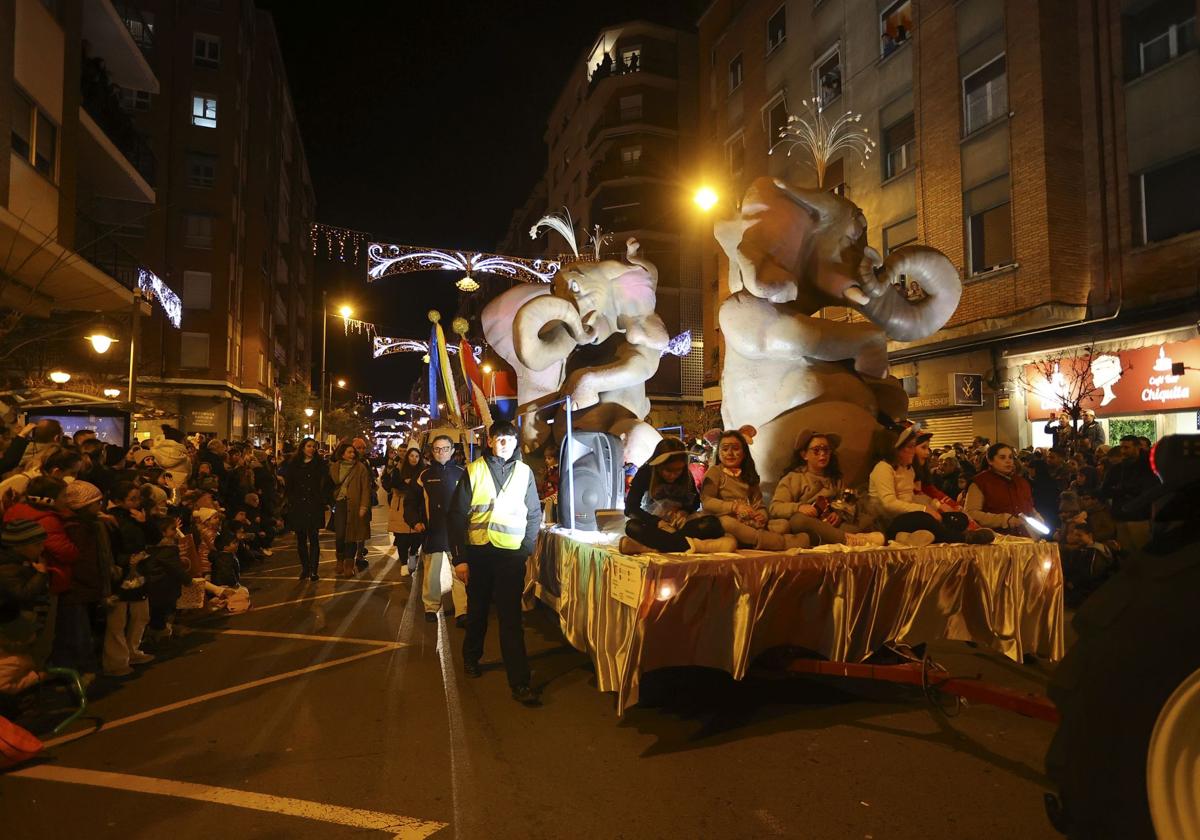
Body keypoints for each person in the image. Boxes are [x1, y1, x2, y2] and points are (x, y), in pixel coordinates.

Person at [448, 421, 541, 706]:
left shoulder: (525, 473)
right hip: (479, 553)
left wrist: (525, 549)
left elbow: (534, 514)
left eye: (509, 440)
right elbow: (457, 516)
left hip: (510, 555)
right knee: (477, 612)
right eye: (500, 439)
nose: (505, 444)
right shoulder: (474, 470)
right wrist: (460, 560)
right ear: (490, 441)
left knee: (511, 618)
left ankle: (520, 681)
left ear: (515, 443)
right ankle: (471, 658)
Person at [770, 431, 885, 547]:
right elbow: (775, 508)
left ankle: (848, 537)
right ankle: (847, 539)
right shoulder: (793, 478)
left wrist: (839, 514)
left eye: (826, 450)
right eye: (816, 450)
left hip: (831, 524)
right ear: (804, 455)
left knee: (867, 519)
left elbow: (845, 502)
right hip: (810, 523)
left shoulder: (834, 478)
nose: (822, 454)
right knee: (798, 521)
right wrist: (799, 507)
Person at [866, 427, 979, 545]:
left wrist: (934, 506)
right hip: (888, 521)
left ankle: (916, 536)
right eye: (909, 446)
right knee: (924, 518)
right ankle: (961, 538)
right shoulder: (883, 468)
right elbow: (889, 504)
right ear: (895, 449)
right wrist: (924, 509)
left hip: (908, 516)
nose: (913, 451)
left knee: (959, 519)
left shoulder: (908, 470)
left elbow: (911, 498)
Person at [621, 438, 734, 554]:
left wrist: (684, 511)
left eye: (678, 470)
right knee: (632, 527)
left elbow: (695, 502)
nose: (673, 475)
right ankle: (697, 546)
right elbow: (630, 508)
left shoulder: (686, 474)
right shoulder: (645, 473)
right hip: (655, 526)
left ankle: (652, 547)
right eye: (668, 470)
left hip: (678, 526)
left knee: (712, 523)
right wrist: (657, 522)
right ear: (659, 465)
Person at [701, 430, 809, 550]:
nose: (730, 453)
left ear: (744, 452)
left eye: (736, 448)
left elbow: (759, 504)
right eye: (725, 449)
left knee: (783, 525)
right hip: (728, 520)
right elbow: (707, 501)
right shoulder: (715, 472)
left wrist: (761, 516)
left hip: (749, 522)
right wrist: (734, 507)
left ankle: (753, 539)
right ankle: (780, 543)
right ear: (719, 453)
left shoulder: (748, 475)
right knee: (727, 523)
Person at [410, 434, 469, 625]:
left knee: (460, 571)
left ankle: (462, 610)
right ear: (432, 452)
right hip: (433, 530)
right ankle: (430, 607)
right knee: (431, 573)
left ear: (452, 451)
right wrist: (415, 521)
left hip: (458, 532)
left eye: (445, 448)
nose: (441, 452)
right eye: (437, 449)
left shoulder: (463, 472)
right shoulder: (424, 476)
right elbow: (410, 501)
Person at [964, 443, 1042, 536]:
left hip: (1025, 539)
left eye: (1010, 457)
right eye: (1002, 457)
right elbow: (971, 513)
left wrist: (1036, 515)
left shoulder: (1022, 482)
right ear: (990, 461)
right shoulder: (980, 482)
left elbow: (1028, 506)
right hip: (997, 541)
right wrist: (1004, 519)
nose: (1008, 461)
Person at [283, 438, 330, 581]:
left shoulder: (320, 464)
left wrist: (323, 500)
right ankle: (305, 568)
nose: (311, 449)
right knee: (301, 539)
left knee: (314, 538)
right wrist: (290, 500)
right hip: (298, 505)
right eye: (309, 446)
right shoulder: (294, 464)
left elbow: (325, 483)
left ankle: (314, 570)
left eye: (314, 447)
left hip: (314, 504)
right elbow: (289, 485)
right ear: (302, 448)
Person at [329, 441, 371, 577]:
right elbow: (328, 485)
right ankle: (340, 560)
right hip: (340, 504)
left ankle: (349, 565)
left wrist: (364, 506)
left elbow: (365, 488)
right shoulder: (335, 467)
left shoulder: (360, 468)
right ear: (342, 454)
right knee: (340, 535)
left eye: (353, 452)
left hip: (355, 504)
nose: (352, 454)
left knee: (352, 535)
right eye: (349, 452)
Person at [384, 447, 424, 576]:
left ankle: (413, 553)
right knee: (401, 537)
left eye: (417, 456)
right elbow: (394, 484)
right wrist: (408, 484)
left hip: (417, 507)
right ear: (407, 457)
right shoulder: (399, 470)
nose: (414, 459)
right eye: (411, 456)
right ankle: (403, 563)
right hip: (400, 506)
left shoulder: (423, 471)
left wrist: (409, 483)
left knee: (417, 536)